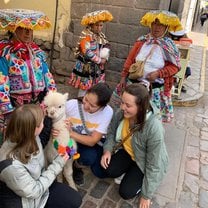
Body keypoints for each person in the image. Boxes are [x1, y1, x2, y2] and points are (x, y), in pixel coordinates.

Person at [0, 104, 82, 208]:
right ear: (34, 128)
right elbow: (34, 191)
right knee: (71, 201)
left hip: (38, 181)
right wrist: (58, 163)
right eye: (42, 121)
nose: (44, 122)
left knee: (75, 199)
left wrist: (58, 129)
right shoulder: (11, 167)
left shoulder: (28, 135)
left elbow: (43, 136)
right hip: (25, 201)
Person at [101, 83, 169, 208]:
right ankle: (129, 172)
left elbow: (154, 164)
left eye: (128, 105)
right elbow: (111, 132)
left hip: (144, 161)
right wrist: (107, 150)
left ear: (141, 107)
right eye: (122, 102)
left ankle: (138, 179)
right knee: (108, 169)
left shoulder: (154, 128)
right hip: (128, 151)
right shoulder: (121, 114)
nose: (122, 107)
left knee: (126, 193)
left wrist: (146, 195)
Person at [112, 10, 182, 122]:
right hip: (134, 85)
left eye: (161, 24)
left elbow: (175, 67)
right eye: (154, 23)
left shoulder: (169, 46)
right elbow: (130, 59)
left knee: (147, 119)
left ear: (166, 27)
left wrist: (158, 73)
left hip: (153, 90)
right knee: (129, 114)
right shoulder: (142, 41)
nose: (156, 27)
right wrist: (123, 77)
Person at [0, 9, 57, 145]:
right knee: (14, 143)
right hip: (15, 108)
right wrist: (8, 112)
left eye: (30, 29)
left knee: (34, 142)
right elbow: (1, 83)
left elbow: (48, 77)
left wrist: (49, 101)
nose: (28, 32)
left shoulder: (37, 53)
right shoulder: (5, 53)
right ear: (13, 29)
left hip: (37, 106)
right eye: (23, 28)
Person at [65, 83, 113, 185]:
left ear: (102, 107)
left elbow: (92, 141)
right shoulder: (71, 104)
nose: (86, 106)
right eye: (86, 99)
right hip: (69, 139)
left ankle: (76, 166)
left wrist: (71, 133)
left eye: (92, 106)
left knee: (98, 170)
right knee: (68, 151)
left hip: (85, 140)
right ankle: (69, 165)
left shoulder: (107, 112)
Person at [68, 10, 113, 97]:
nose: (99, 28)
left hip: (97, 68)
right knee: (84, 88)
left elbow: (107, 45)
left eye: (101, 25)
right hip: (86, 67)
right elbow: (86, 51)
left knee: (96, 89)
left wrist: (105, 57)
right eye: (97, 25)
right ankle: (81, 104)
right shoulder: (85, 35)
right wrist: (100, 60)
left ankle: (93, 104)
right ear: (91, 25)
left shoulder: (101, 36)